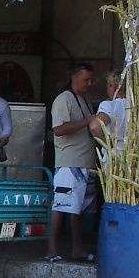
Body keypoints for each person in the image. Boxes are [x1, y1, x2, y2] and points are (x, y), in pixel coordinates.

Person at [46, 63, 99, 262]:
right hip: (69, 162)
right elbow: (58, 129)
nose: (89, 83)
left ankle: (78, 248)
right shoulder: (63, 99)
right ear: (74, 78)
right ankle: (52, 249)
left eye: (91, 79)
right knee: (61, 206)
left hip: (85, 161)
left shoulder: (84, 98)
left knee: (80, 208)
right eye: (86, 79)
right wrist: (88, 121)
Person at [90, 70, 127, 164]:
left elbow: (95, 127)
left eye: (108, 87)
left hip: (114, 156)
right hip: (131, 156)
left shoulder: (109, 106)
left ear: (113, 88)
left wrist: (107, 144)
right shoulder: (134, 105)